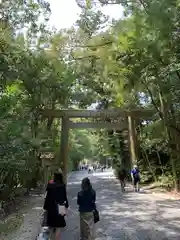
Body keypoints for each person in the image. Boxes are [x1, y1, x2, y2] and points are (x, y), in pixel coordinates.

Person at [43, 172, 69, 240]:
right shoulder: (63, 185)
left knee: (51, 226)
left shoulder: (50, 185)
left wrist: (45, 207)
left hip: (51, 207)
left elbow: (47, 197)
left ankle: (51, 238)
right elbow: (64, 197)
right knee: (58, 227)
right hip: (61, 207)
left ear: (54, 177)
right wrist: (66, 205)